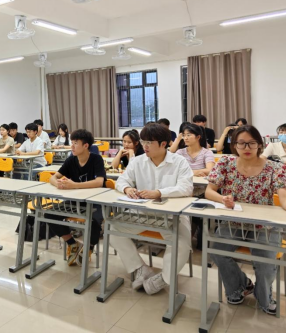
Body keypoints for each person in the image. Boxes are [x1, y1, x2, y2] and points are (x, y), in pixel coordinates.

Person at [206, 125, 286, 315]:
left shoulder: (275, 167)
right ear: (235, 145)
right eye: (241, 143)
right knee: (216, 251)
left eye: (251, 143)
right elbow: (209, 191)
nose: (247, 147)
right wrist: (222, 199)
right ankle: (241, 285)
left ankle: (264, 295)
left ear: (259, 144)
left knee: (265, 263)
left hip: (263, 225)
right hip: (233, 222)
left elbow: (284, 196)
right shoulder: (225, 163)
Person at [111, 123, 193, 295]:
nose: (144, 146)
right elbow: (122, 181)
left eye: (149, 142)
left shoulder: (179, 162)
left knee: (182, 243)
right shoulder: (138, 161)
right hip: (143, 213)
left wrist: (159, 193)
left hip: (172, 216)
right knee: (112, 230)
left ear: (163, 144)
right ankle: (140, 268)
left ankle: (163, 279)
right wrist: (127, 188)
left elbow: (186, 188)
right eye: (143, 142)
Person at [46, 129, 106, 265]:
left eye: (75, 143)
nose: (71, 146)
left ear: (86, 145)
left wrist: (74, 185)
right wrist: (58, 183)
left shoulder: (96, 159)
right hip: (76, 201)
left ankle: (89, 247)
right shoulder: (71, 160)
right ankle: (72, 243)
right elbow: (53, 177)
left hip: (95, 201)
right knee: (49, 214)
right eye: (71, 142)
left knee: (94, 221)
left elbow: (99, 182)